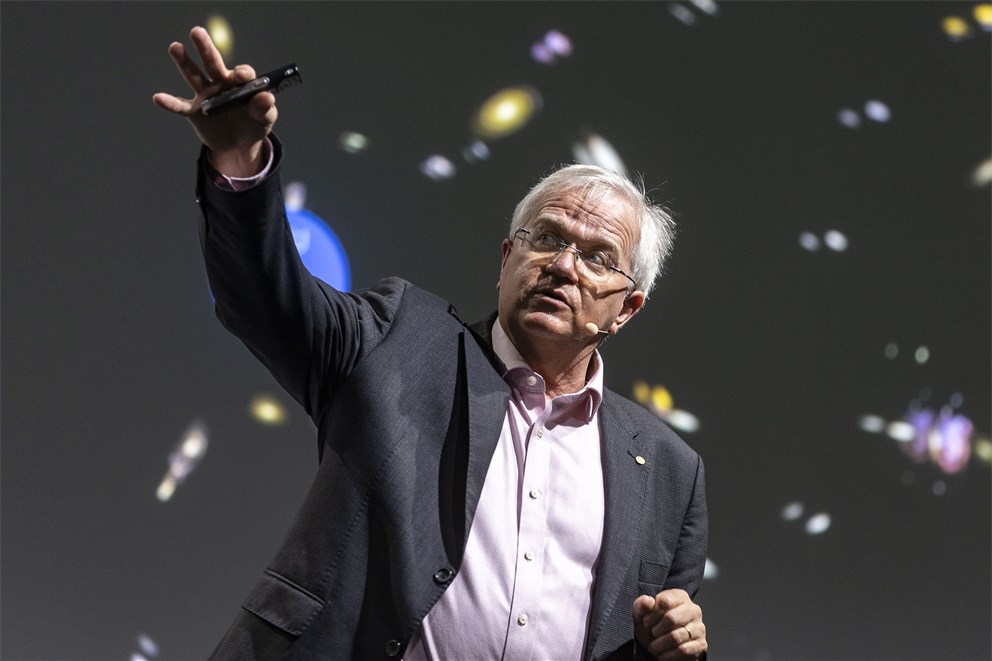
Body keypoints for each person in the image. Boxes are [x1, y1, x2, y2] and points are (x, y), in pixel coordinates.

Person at [154, 26, 709, 661]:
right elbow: (264, 298)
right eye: (547, 238)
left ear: (627, 308)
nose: (563, 266)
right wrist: (240, 166)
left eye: (597, 257)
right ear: (507, 259)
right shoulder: (398, 340)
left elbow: (648, 642)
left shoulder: (670, 470)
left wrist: (675, 648)